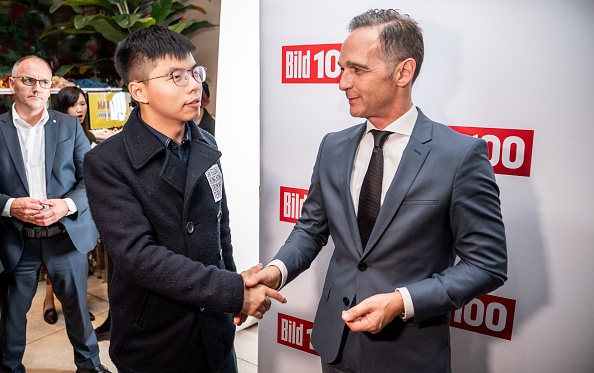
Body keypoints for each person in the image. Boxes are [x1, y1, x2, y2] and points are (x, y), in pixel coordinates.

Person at [245, 9, 508, 373]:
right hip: (334, 345)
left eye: (357, 69)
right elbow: (310, 229)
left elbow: (486, 264)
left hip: (409, 354)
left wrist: (402, 301)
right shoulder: (333, 146)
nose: (342, 82)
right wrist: (277, 269)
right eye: (341, 68)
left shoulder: (460, 155)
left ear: (403, 72)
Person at [83, 26, 285, 373]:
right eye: (175, 76)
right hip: (156, 341)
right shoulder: (108, 162)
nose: (194, 85)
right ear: (139, 91)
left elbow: (219, 227)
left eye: (194, 72)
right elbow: (138, 256)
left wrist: (231, 290)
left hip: (215, 332)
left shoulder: (204, 142)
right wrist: (233, 291)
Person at [0, 56, 110, 373]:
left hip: (64, 237)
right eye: (28, 80)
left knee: (77, 309)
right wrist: (10, 205)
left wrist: (66, 205)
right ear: (11, 82)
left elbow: (90, 179)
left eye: (44, 82)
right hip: (17, 239)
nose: (37, 88)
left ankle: (89, 367)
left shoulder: (69, 126)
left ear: (51, 87)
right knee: (12, 314)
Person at [37, 86, 98, 325]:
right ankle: (49, 300)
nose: (80, 109)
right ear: (63, 107)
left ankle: (77, 306)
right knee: (52, 260)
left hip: (80, 209)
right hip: (52, 211)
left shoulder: (88, 135)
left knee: (77, 261)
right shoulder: (50, 132)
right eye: (74, 105)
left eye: (83, 104)